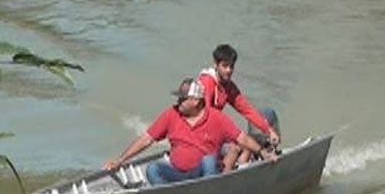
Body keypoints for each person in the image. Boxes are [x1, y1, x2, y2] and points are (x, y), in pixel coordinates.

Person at [104, 78, 276, 185]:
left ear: (195, 101)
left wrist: (263, 153)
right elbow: (146, 139)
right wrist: (120, 160)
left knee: (209, 161)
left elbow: (242, 139)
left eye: (183, 99)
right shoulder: (172, 114)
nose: (179, 102)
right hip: (179, 175)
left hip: (204, 175)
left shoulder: (216, 118)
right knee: (152, 170)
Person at [197, 44, 281, 171]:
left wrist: (269, 130)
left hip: (214, 132)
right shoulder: (207, 83)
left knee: (249, 147)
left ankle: (241, 173)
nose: (228, 70)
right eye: (225, 66)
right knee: (235, 148)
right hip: (201, 134)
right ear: (216, 64)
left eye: (231, 66)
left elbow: (247, 111)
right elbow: (205, 115)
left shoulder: (228, 87)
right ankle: (223, 180)